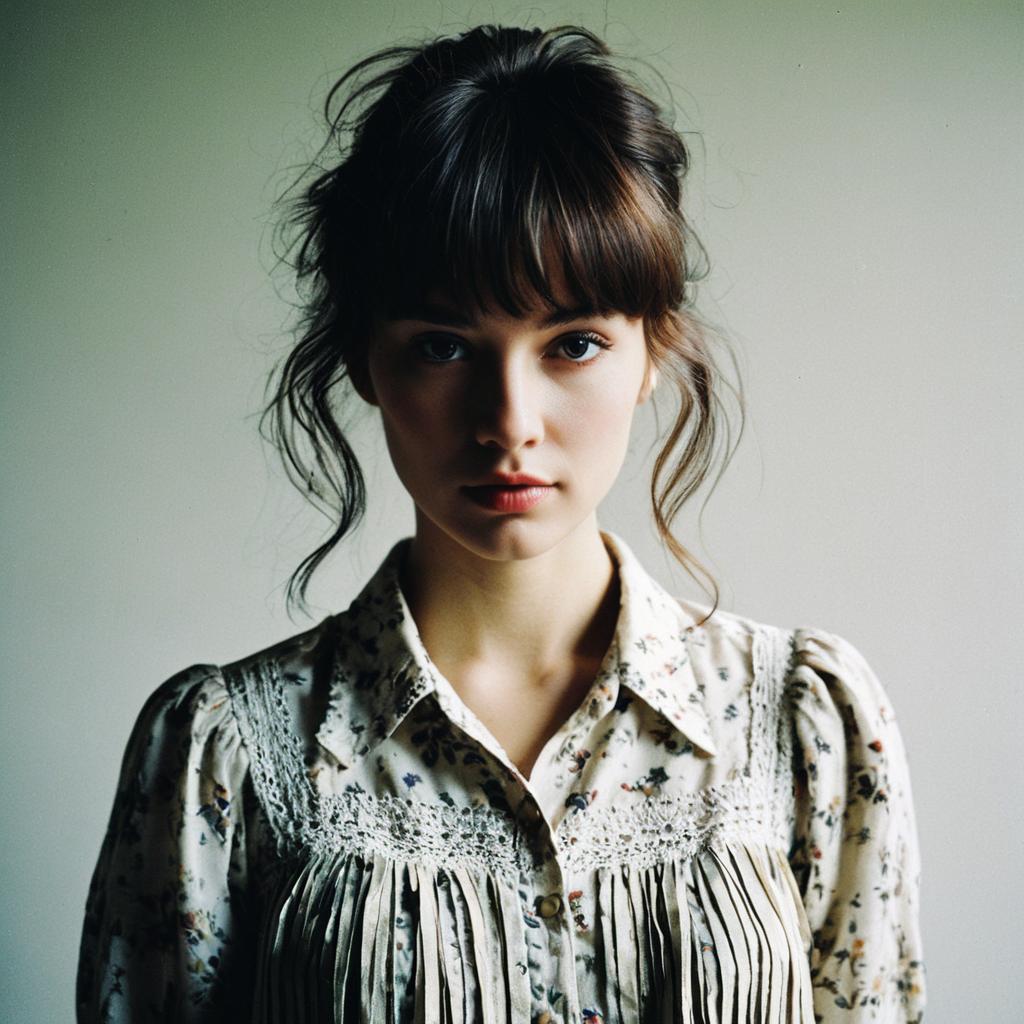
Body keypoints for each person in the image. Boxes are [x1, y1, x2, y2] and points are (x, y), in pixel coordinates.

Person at [76, 23, 926, 1024]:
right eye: (443, 345)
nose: (509, 422)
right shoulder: (228, 756)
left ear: (653, 352)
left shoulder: (802, 724)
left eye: (573, 343)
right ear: (364, 360)